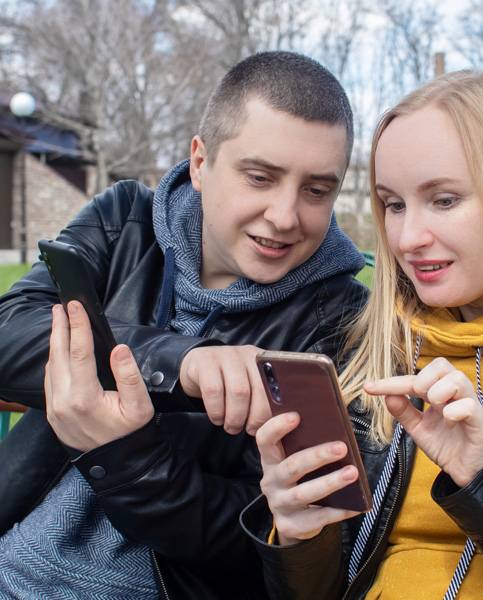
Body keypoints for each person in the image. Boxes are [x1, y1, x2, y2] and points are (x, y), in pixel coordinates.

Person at [0, 51, 368, 599]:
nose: (286, 216)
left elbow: (266, 544)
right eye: (260, 177)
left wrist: (125, 454)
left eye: (317, 190)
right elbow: (10, 331)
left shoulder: (340, 324)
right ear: (200, 162)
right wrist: (181, 362)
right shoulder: (123, 221)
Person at [243, 69, 483, 599]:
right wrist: (298, 533)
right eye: (393, 204)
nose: (408, 239)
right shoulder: (357, 363)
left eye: (445, 199)